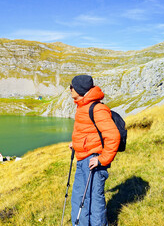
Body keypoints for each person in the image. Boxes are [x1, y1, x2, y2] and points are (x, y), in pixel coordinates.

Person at [69, 75, 120, 226]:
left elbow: (113, 136)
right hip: (83, 158)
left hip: (93, 161)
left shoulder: (96, 109)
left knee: (94, 200)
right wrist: (76, 144)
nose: (70, 89)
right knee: (80, 197)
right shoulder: (82, 106)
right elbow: (87, 132)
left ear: (79, 89)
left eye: (71, 87)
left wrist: (102, 159)